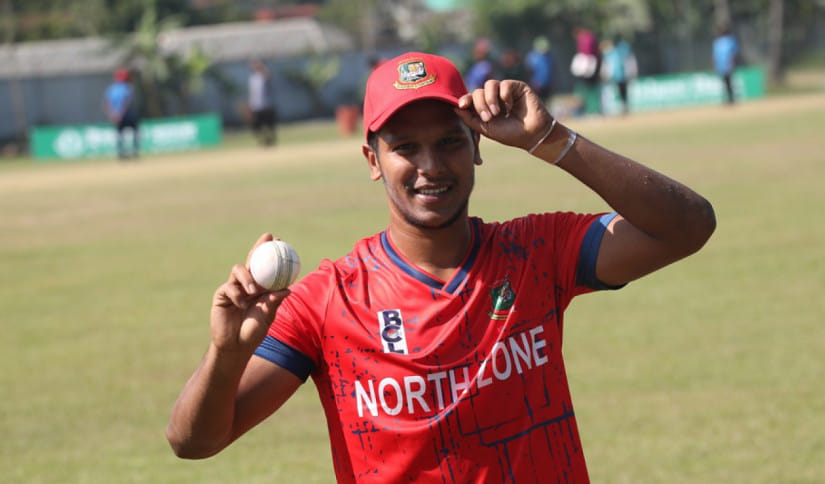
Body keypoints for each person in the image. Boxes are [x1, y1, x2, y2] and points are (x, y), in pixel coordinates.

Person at [166, 51, 716, 483]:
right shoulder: (327, 300)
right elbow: (194, 441)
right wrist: (226, 354)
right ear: (373, 160)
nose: (431, 165)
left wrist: (551, 139)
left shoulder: (536, 252)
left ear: (477, 145)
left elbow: (688, 226)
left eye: (450, 142)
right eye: (406, 147)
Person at [102, 67, 139, 159]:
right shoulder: (126, 88)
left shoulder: (111, 89)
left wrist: (112, 115)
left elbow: (106, 103)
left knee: (120, 134)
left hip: (115, 116)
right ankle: (134, 152)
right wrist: (121, 114)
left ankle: (121, 153)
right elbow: (126, 102)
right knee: (135, 130)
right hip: (126, 116)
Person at [601, 35, 638, 115]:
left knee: (623, 92)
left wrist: (632, 71)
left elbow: (629, 60)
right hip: (615, 76)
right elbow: (607, 63)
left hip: (623, 75)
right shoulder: (611, 51)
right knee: (618, 92)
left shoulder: (623, 50)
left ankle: (624, 107)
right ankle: (619, 107)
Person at [570, 26, 602, 115]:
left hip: (587, 65)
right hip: (591, 64)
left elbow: (586, 52)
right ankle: (592, 109)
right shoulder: (590, 37)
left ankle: (589, 109)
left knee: (587, 88)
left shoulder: (583, 38)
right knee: (590, 88)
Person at [248, 59, 277, 146]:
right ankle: (262, 141)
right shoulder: (253, 78)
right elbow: (252, 93)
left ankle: (271, 140)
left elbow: (268, 76)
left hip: (267, 105)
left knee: (269, 124)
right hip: (256, 106)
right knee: (257, 125)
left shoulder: (264, 76)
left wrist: (262, 67)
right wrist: (250, 104)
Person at [712, 24, 739, 105]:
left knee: (729, 82)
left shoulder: (730, 40)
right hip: (721, 66)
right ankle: (727, 99)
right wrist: (715, 64)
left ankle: (732, 99)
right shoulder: (717, 42)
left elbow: (733, 53)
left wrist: (732, 63)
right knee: (724, 83)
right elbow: (715, 55)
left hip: (728, 65)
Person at [525, 36, 554, 101]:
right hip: (536, 85)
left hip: (547, 84)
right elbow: (529, 71)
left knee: (546, 101)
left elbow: (551, 70)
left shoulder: (549, 56)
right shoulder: (532, 57)